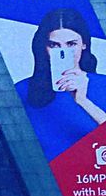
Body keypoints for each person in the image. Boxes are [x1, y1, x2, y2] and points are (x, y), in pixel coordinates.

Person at [16, 9, 106, 159]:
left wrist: (84, 102)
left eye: (71, 44)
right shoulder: (22, 90)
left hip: (93, 176)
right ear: (44, 47)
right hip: (44, 176)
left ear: (84, 44)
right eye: (54, 45)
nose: (63, 51)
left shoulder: (103, 85)